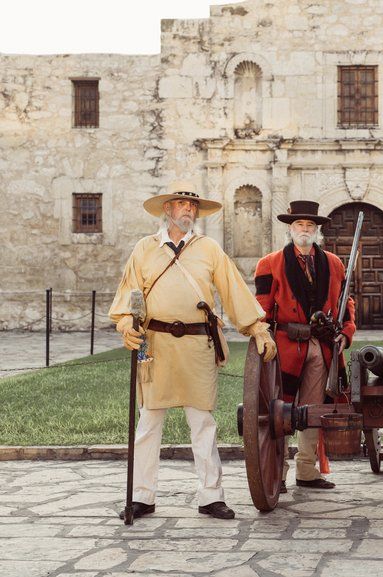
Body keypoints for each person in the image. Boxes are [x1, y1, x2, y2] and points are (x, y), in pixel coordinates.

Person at [109, 180, 276, 521]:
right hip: (155, 345)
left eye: (193, 206)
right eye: (182, 204)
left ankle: (211, 495)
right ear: (167, 210)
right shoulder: (144, 248)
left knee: (202, 421)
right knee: (149, 421)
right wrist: (126, 325)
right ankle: (142, 495)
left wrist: (256, 327)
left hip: (199, 344)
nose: (188, 210)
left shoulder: (209, 249)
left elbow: (232, 291)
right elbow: (127, 296)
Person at [254, 200, 355, 492]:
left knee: (313, 410)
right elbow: (262, 306)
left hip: (321, 347)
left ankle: (307, 471)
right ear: (290, 228)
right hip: (285, 346)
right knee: (280, 412)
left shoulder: (334, 263)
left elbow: (344, 304)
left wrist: (346, 333)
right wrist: (262, 335)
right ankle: (277, 471)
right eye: (300, 224)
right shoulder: (269, 263)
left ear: (316, 230)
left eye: (310, 225)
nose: (305, 229)